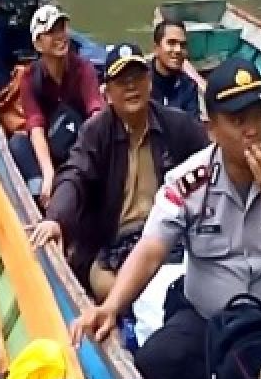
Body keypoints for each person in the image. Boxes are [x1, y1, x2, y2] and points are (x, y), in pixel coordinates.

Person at [71, 59, 261, 379]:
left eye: (257, 116)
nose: (251, 130)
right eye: (237, 120)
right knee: (154, 368)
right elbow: (152, 248)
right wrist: (110, 307)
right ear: (211, 129)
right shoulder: (189, 182)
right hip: (206, 322)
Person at [31, 43, 207, 301]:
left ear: (149, 83)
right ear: (107, 93)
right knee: (116, 289)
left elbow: (210, 161)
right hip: (112, 245)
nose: (131, 86)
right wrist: (55, 218)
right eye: (122, 81)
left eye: (137, 78)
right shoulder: (95, 132)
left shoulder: (177, 125)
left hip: (168, 236)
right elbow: (74, 175)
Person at [8, 5, 104, 206]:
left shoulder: (83, 69)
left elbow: (96, 112)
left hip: (81, 144)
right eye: (51, 32)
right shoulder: (29, 78)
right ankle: (40, 196)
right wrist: (48, 172)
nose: (60, 36)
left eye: (62, 29)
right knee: (17, 143)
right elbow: (35, 126)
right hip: (51, 146)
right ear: (38, 44)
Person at [149, 19, 201, 120]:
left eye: (182, 45)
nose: (178, 50)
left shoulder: (189, 86)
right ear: (156, 49)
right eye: (171, 43)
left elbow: (193, 126)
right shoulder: (142, 81)